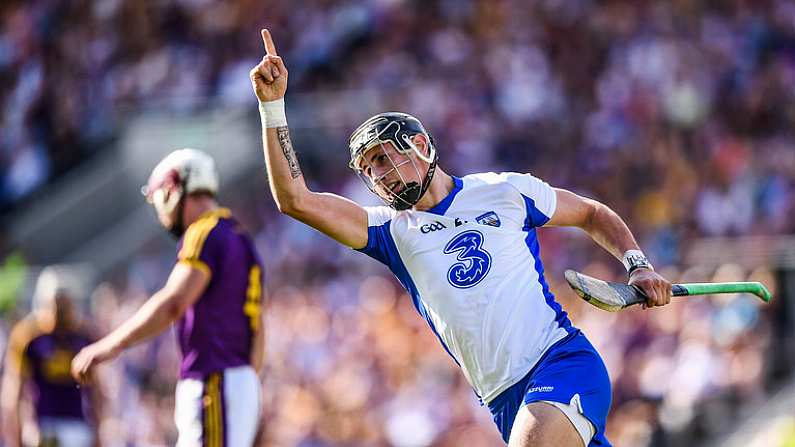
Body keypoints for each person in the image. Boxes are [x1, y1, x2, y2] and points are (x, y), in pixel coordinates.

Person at [251, 29, 673, 447]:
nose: (378, 174)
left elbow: (591, 212)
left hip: (559, 360)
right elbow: (295, 200)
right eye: (368, 169)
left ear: (419, 145)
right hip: (503, 399)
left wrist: (638, 265)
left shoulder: (504, 190)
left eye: (382, 158)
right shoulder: (390, 231)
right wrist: (272, 109)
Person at [70, 149, 266, 447]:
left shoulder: (204, 232)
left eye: (160, 196)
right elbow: (258, 326)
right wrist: (245, 382)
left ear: (175, 188)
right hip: (234, 380)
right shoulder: (239, 236)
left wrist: (112, 344)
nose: (160, 211)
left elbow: (174, 301)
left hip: (215, 378)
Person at [1, 266, 103, 447]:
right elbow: (14, 392)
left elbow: (96, 391)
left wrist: (98, 430)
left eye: (64, 304)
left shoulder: (84, 336)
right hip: (43, 426)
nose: (60, 311)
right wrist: (17, 434)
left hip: (77, 426)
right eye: (56, 304)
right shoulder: (28, 337)